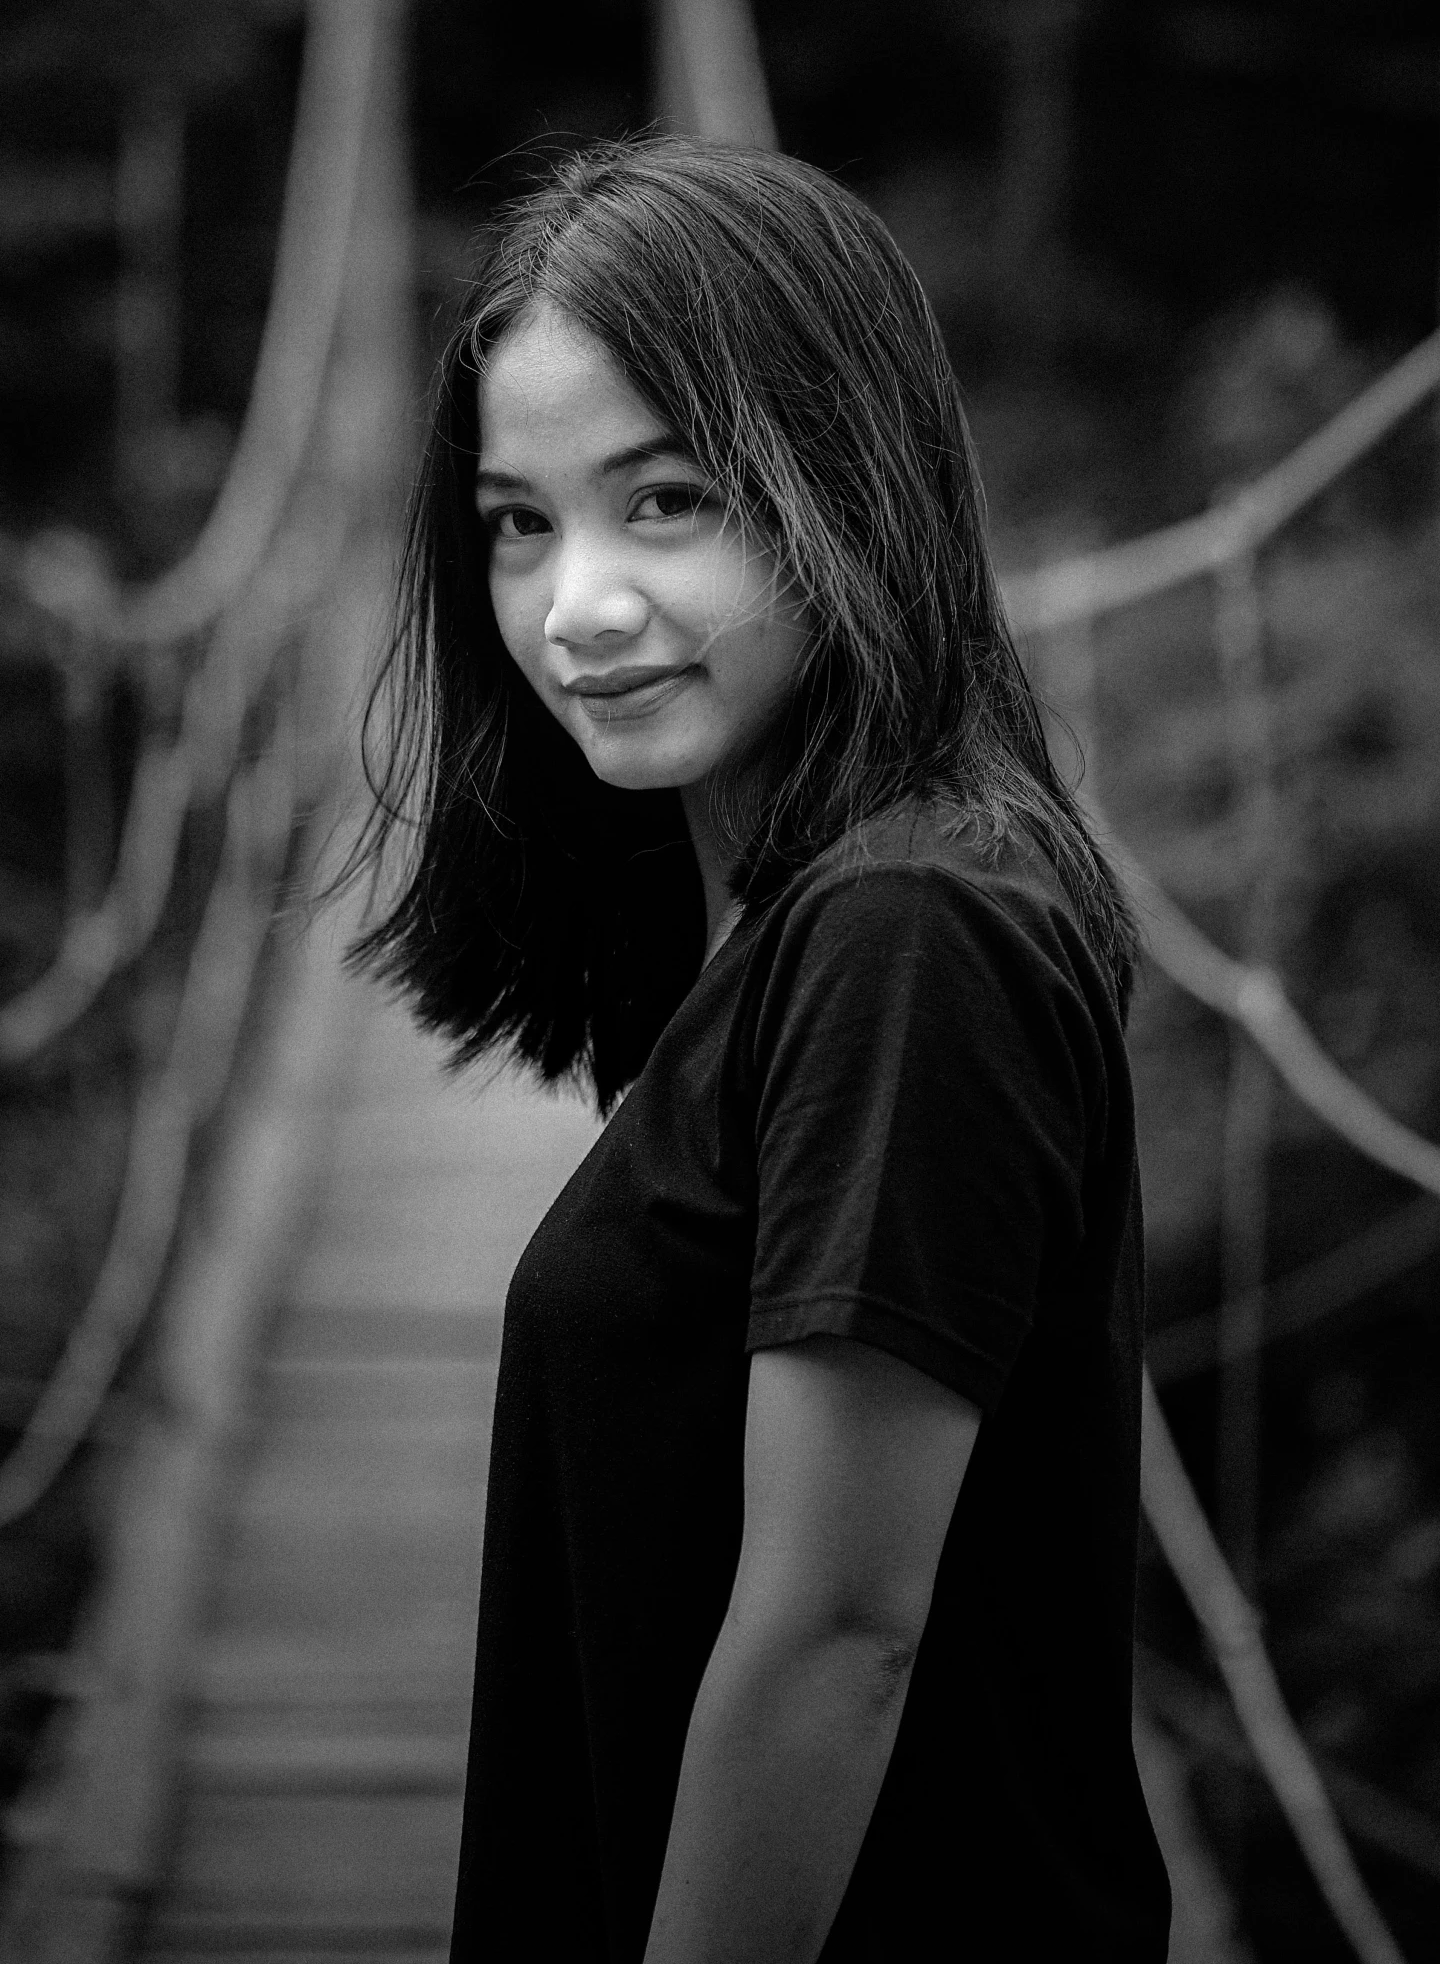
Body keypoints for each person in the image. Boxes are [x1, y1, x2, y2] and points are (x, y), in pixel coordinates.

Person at [352, 138, 1172, 1962]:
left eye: (668, 500)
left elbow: (838, 1630)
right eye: (518, 520)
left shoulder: (911, 933)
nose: (574, 605)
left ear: (847, 483)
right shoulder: (785, 913)